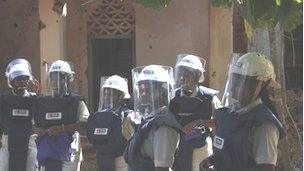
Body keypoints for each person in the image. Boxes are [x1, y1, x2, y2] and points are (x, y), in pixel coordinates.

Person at [201, 52, 285, 171]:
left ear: (260, 86)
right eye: (235, 80)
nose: (235, 86)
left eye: (243, 81)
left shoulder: (264, 124)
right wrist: (211, 160)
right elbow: (231, 151)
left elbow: (266, 168)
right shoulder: (234, 113)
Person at [32, 60, 89, 171]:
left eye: (60, 78)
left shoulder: (76, 101)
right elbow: (33, 124)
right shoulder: (41, 102)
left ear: (68, 79)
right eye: (53, 78)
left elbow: (85, 123)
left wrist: (62, 128)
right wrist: (37, 130)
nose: (55, 82)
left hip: (69, 150)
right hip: (47, 150)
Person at [124, 65, 181, 171]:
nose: (144, 94)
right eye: (141, 90)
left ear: (163, 91)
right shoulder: (147, 120)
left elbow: (162, 168)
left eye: (149, 90)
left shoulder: (164, 126)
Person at [170, 54, 221, 171]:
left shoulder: (210, 99)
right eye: (181, 73)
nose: (183, 77)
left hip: (201, 150)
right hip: (178, 151)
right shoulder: (173, 97)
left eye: (187, 73)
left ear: (197, 75)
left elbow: (220, 122)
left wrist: (199, 122)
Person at [87, 75, 133, 171]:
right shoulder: (99, 116)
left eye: (110, 94)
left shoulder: (128, 116)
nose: (106, 97)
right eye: (105, 94)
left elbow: (132, 142)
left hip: (121, 161)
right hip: (102, 161)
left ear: (121, 96)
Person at [0, 58, 38, 171]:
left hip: (29, 138)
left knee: (30, 167)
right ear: (11, 81)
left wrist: (37, 93)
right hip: (8, 138)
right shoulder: (3, 98)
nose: (23, 82)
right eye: (19, 79)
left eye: (25, 79)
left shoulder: (34, 98)